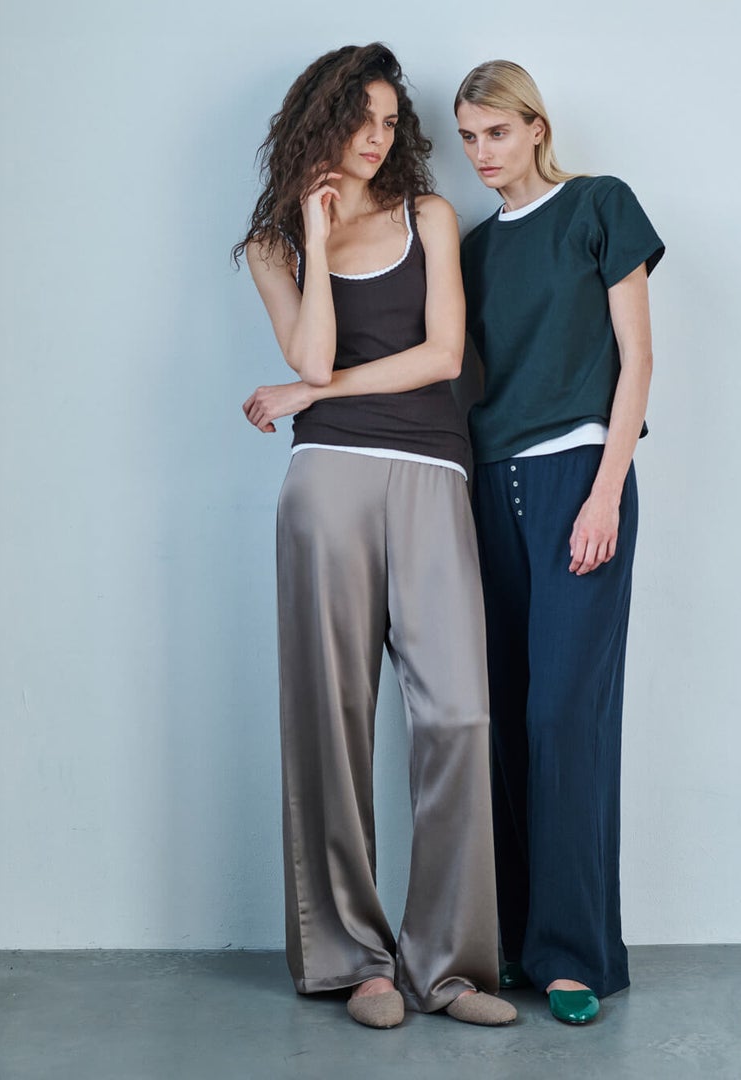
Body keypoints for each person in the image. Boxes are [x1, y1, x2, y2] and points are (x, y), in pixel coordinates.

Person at [234, 43, 514, 1029]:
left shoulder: (428, 215)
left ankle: (446, 965)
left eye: (393, 122)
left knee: (457, 717)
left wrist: (316, 392)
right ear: (321, 119)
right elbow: (306, 349)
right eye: (363, 118)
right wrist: (312, 226)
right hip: (327, 486)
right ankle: (360, 962)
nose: (379, 137)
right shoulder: (276, 243)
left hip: (432, 474)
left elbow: (442, 356)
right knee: (332, 721)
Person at [453, 59, 665, 1026]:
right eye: (466, 137)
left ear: (536, 126)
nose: (480, 154)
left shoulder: (599, 206)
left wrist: (605, 491)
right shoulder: (470, 249)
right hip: (488, 489)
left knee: (563, 719)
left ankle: (576, 954)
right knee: (499, 717)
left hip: (580, 475)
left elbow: (638, 359)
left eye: (495, 133)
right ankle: (513, 943)